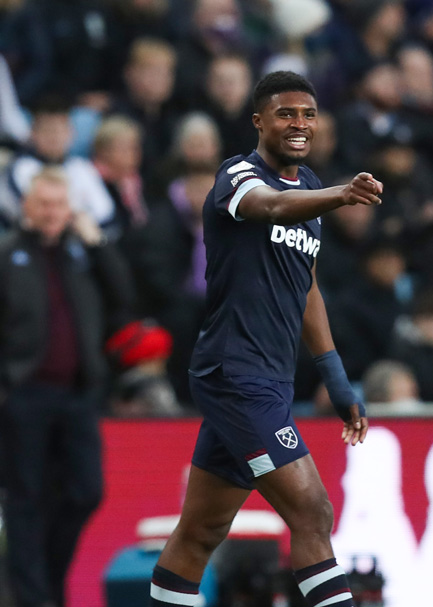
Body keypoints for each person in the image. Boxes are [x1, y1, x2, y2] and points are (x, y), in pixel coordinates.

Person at [148, 71, 384, 607]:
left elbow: (307, 290)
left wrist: (338, 381)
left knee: (202, 530)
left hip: (268, 380)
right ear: (259, 121)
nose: (298, 124)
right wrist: (341, 194)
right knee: (312, 511)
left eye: (307, 114)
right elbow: (270, 207)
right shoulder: (238, 175)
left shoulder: (310, 191)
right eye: (285, 113)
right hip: (235, 374)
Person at [0, 167, 133, 607]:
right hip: (24, 394)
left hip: (78, 395)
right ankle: (35, 599)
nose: (52, 212)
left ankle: (47, 584)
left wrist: (96, 242)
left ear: (70, 209)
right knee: (25, 502)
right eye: (44, 204)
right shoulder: (8, 253)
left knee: (86, 491)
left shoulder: (82, 255)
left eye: (59, 204)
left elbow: (123, 296)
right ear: (27, 208)